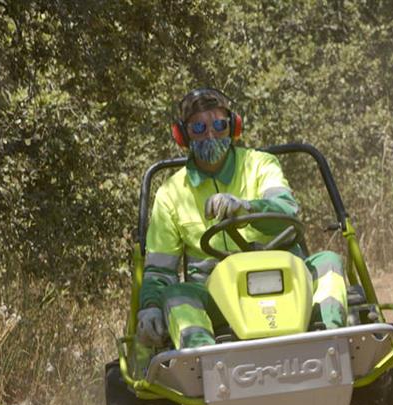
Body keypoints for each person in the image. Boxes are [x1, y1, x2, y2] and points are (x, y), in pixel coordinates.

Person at [136, 87, 348, 349]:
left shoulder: (261, 165)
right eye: (199, 128)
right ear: (183, 135)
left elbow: (286, 209)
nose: (211, 134)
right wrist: (151, 306)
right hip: (216, 296)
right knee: (176, 295)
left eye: (219, 124)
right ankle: (202, 360)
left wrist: (246, 209)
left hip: (287, 282)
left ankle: (331, 341)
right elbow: (160, 269)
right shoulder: (171, 193)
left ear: (233, 127)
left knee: (328, 263)